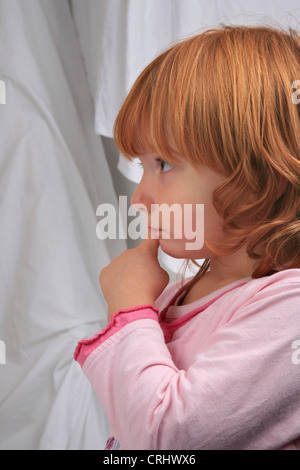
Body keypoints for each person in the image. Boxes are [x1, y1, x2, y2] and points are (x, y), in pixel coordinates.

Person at [74, 24, 300, 450]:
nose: (139, 198)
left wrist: (129, 311)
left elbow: (169, 442)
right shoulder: (177, 296)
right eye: (141, 166)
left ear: (257, 173)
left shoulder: (291, 307)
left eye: (162, 164)